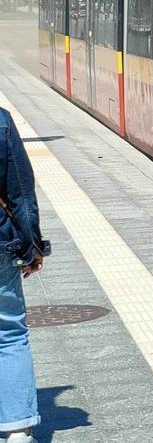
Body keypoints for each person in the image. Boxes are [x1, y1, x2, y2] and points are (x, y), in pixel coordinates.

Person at [1, 108, 49, 443]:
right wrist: (31, 247)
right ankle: (17, 430)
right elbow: (20, 195)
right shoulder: (0, 121)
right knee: (8, 335)